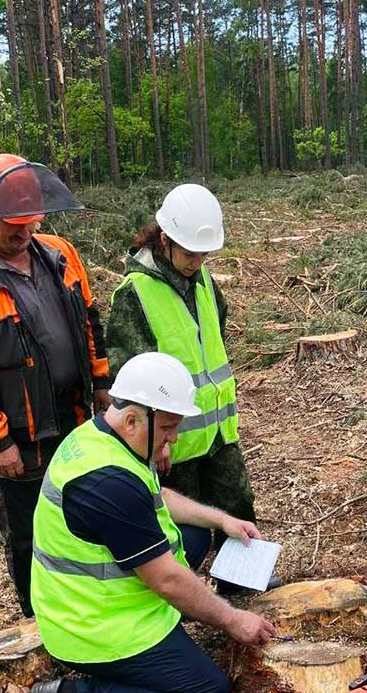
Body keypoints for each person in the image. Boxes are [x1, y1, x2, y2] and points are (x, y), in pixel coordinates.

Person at [28, 352, 277, 693]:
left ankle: (182, 614)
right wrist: (232, 619)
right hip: (93, 628)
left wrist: (222, 520)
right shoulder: (106, 484)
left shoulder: (101, 436)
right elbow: (166, 580)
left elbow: (154, 496)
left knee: (194, 532)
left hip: (98, 600)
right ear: (133, 419)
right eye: (167, 428)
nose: (173, 439)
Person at [0, 153, 111, 618]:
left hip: (76, 413)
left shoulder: (60, 253)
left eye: (31, 222)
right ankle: (37, 617)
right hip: (24, 433)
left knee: (85, 506)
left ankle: (90, 600)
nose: (24, 233)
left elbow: (89, 320)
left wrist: (100, 380)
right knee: (30, 530)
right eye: (14, 225)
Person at [105, 184, 256, 542]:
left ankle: (242, 576)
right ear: (164, 239)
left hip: (219, 432)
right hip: (173, 441)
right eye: (190, 253)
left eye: (204, 254)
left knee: (238, 511)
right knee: (185, 534)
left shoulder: (203, 281)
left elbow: (214, 337)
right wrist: (156, 442)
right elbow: (130, 376)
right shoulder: (135, 293)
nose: (197, 262)